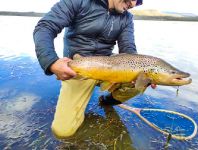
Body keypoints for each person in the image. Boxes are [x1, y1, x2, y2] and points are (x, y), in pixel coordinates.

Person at [33, 0, 143, 139]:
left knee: (141, 82)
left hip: (108, 66)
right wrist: (52, 62)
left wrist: (140, 72)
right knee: (62, 132)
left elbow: (128, 50)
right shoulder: (78, 1)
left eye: (139, 1)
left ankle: (107, 101)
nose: (133, 4)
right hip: (78, 68)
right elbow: (45, 27)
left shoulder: (127, 17)